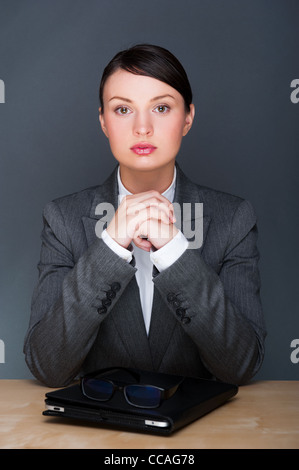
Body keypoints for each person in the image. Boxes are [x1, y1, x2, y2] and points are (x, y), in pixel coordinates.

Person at [23, 44, 266, 388]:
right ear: (103, 122)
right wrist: (109, 247)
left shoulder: (233, 219)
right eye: (123, 109)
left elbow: (241, 365)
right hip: (99, 431)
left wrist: (174, 252)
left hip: (198, 435)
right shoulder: (63, 218)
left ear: (187, 118)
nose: (142, 127)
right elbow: (47, 365)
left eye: (162, 107)